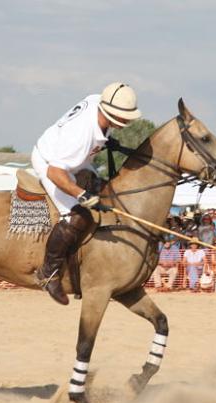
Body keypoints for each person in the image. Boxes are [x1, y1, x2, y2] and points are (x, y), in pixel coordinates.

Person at [31, 82, 141, 305]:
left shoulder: (98, 101)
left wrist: (107, 141)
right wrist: (81, 194)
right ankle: (48, 273)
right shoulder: (80, 135)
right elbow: (55, 172)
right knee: (75, 216)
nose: (128, 122)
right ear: (113, 115)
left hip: (76, 161)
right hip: (50, 162)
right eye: (124, 118)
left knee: (108, 193)